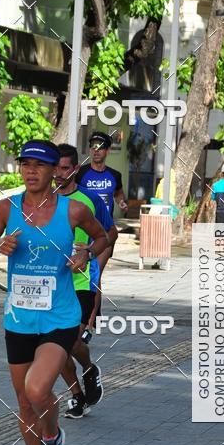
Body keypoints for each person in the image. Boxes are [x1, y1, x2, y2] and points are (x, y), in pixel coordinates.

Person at [0, 140, 109, 445]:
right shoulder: (6, 208)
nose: (31, 171)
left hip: (59, 317)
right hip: (19, 319)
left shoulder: (74, 210)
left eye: (39, 165)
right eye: (25, 164)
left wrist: (86, 253)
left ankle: (52, 438)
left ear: (54, 171)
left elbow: (102, 237)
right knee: (24, 404)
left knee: (37, 391)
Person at [54, 143, 118, 418]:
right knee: (54, 346)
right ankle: (78, 396)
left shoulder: (89, 200)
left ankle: (89, 369)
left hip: (81, 282)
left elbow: (111, 233)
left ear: (75, 169)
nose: (58, 174)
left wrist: (90, 253)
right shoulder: (43, 200)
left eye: (64, 168)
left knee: (69, 341)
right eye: (55, 168)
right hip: (51, 283)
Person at [76, 132, 126, 328]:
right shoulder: (81, 173)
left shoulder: (114, 175)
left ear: (107, 151)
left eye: (100, 147)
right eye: (93, 147)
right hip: (83, 231)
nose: (95, 151)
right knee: (86, 275)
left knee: (95, 274)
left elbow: (119, 194)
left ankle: (89, 323)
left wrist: (121, 203)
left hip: (105, 232)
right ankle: (86, 316)